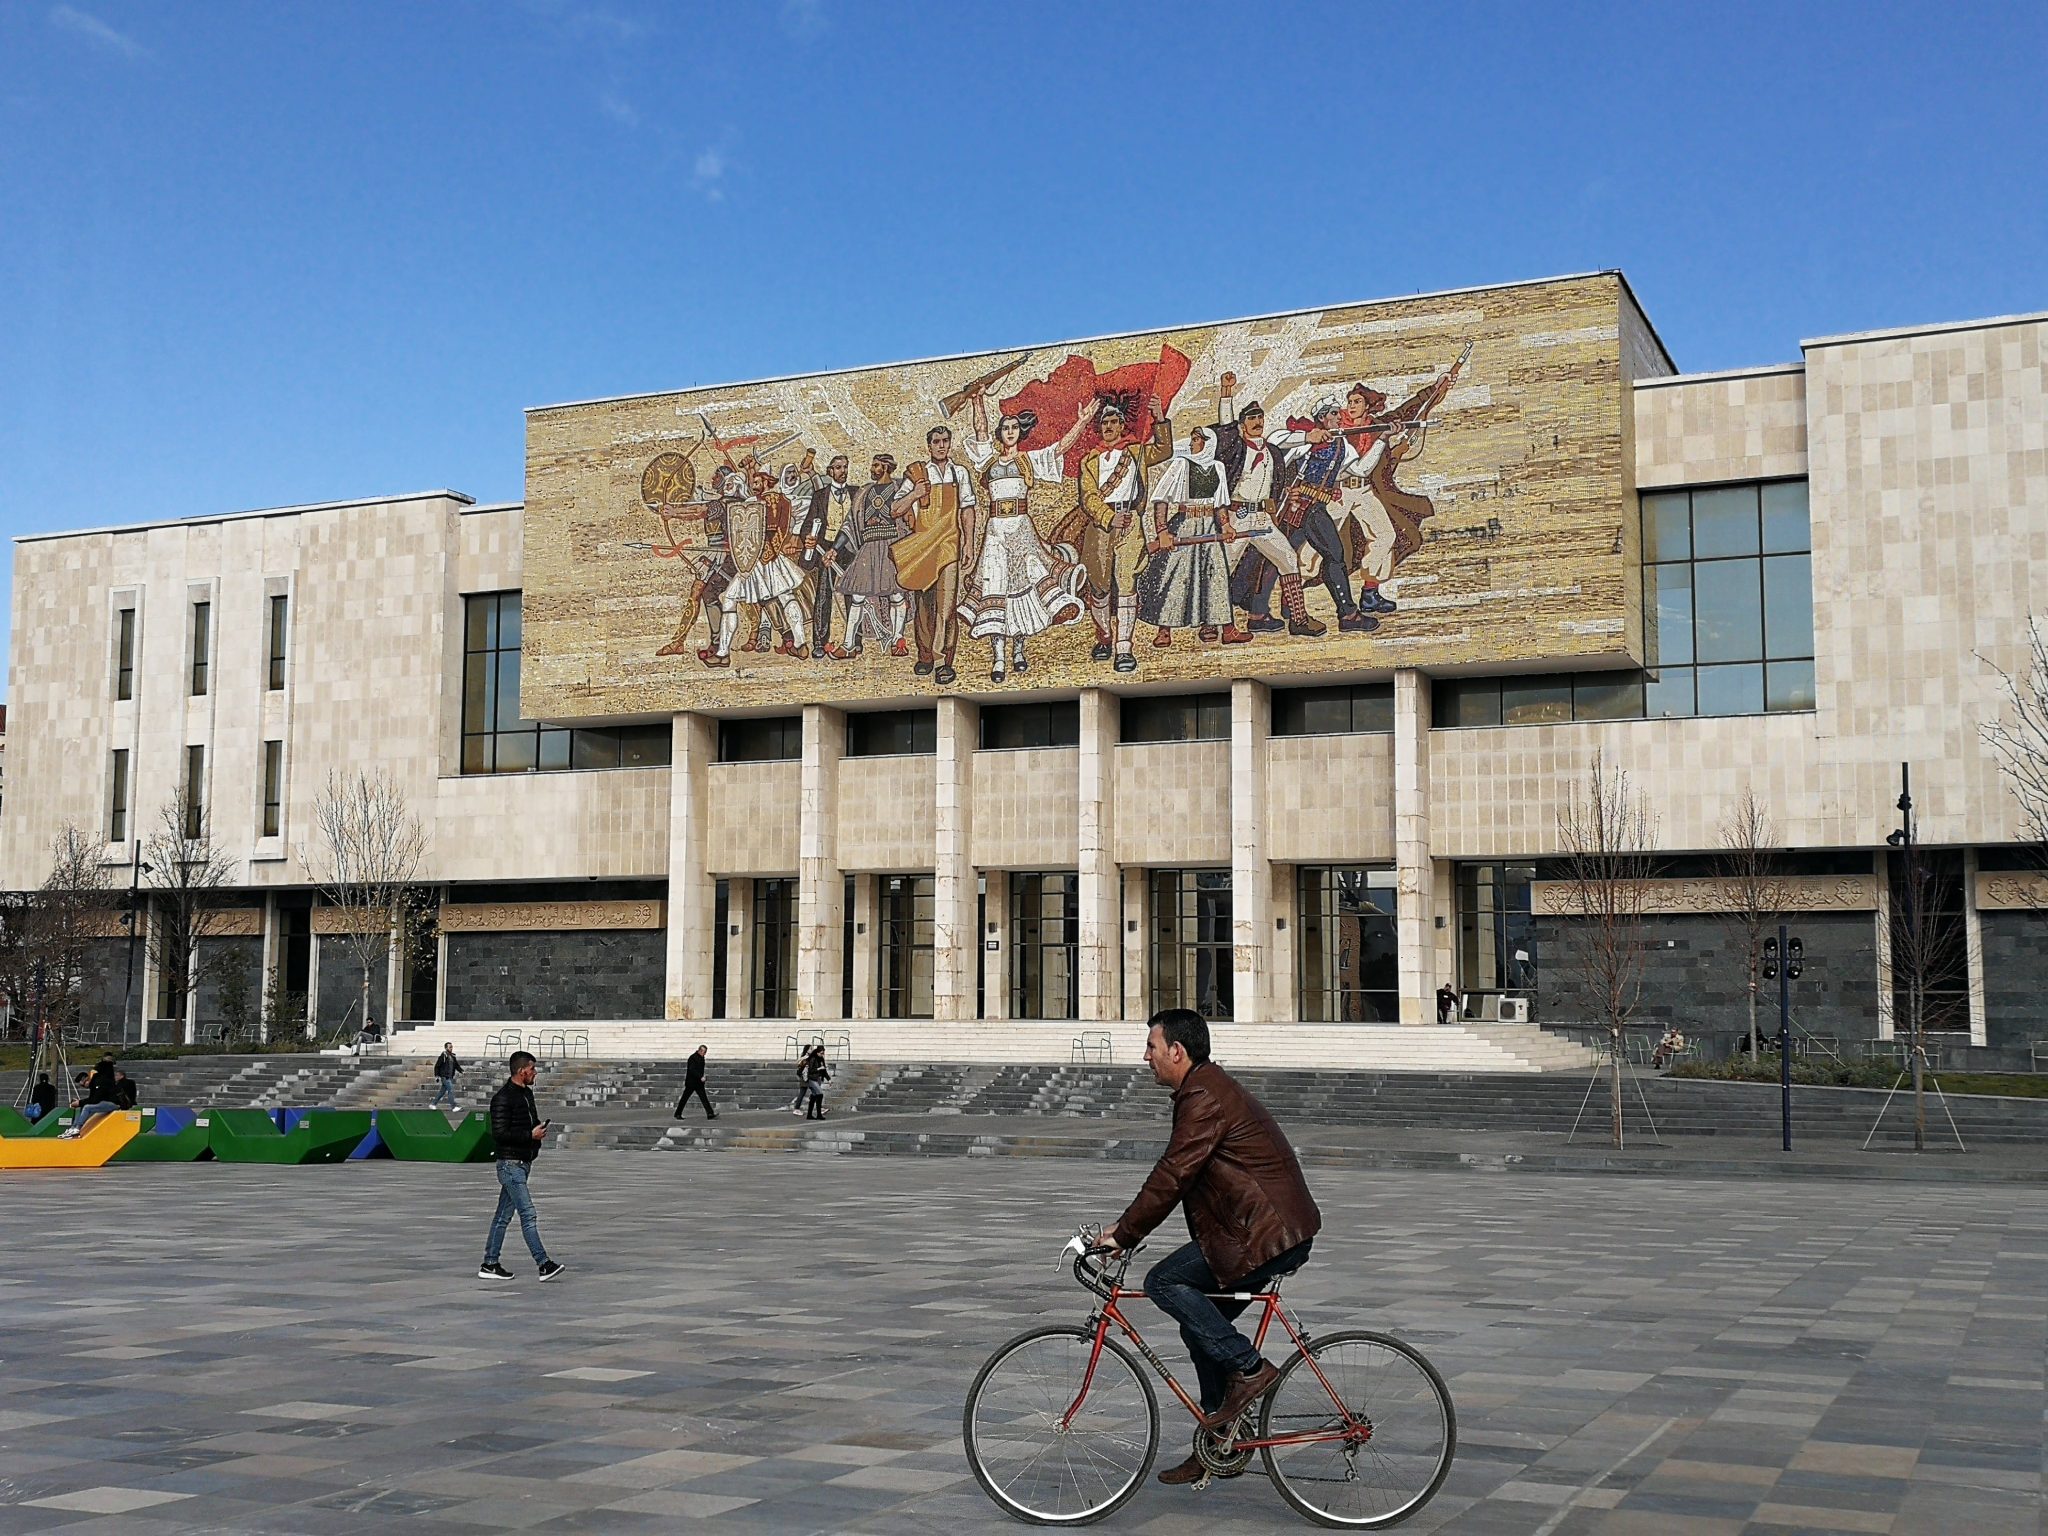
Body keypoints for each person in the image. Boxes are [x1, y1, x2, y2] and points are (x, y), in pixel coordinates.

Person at [1100, 1009, 1321, 1486]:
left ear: (1177, 1051)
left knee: (1164, 1281)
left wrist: (1124, 1233)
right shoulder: (1204, 1087)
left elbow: (1174, 1173)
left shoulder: (1203, 1095)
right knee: (1199, 1328)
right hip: (1260, 1229)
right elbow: (1182, 1177)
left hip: (1265, 1234)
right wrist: (1132, 1231)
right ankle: (1219, 1434)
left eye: (1152, 1047)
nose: (1146, 1057)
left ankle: (1250, 1368)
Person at [960, 397, 1090, 682]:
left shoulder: (1028, 461)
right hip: (995, 532)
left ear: (1020, 433)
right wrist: (977, 399)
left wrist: (1081, 421)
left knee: (1023, 588)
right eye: (1005, 427)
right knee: (996, 588)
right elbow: (980, 430)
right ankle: (998, 657)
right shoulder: (989, 460)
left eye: (1014, 428)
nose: (1009, 431)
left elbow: (1060, 448)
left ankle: (1018, 649)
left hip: (1021, 530)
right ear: (1000, 433)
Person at [1133, 424, 1245, 648]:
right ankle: (1164, 630)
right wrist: (1163, 532)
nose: (1193, 443)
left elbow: (1220, 503)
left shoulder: (1218, 468)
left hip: (1210, 528)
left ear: (1208, 443)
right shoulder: (1181, 465)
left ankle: (1224, 628)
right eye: (1193, 439)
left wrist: (1225, 526)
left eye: (1197, 439)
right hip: (1185, 526)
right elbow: (1161, 500)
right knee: (1175, 576)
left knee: (1215, 576)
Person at [893, 424, 979, 686]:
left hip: (949, 546)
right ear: (929, 446)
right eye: (936, 442)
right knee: (923, 606)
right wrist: (915, 494)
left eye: (945, 441)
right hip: (924, 547)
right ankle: (926, 655)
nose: (941, 445)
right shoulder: (918, 474)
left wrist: (969, 544)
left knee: (946, 606)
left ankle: (943, 661)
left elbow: (967, 510)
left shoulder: (959, 472)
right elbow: (895, 508)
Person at [478, 1051, 565, 1283]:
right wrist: (529, 1134)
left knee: (502, 1216)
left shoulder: (526, 1094)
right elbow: (500, 1134)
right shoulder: (502, 1098)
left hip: (523, 1161)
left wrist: (537, 1131)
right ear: (521, 1071)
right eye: (533, 1069)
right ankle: (543, 1263)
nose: (535, 1073)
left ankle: (490, 1263)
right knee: (528, 1213)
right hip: (510, 1164)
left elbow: (529, 1121)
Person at [675, 1044, 717, 1120]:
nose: (705, 1054)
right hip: (691, 1083)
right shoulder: (692, 1058)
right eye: (704, 1052)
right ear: (700, 1051)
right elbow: (692, 1070)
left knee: (704, 1098)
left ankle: (710, 1113)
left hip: (698, 1083)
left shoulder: (701, 1058)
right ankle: (678, 1113)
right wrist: (700, 1077)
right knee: (684, 1098)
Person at [802, 1047, 833, 1121]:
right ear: (817, 1052)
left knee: (814, 1095)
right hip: (811, 1079)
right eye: (821, 1053)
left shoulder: (821, 1059)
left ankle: (809, 1114)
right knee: (820, 1094)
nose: (822, 1055)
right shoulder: (813, 1059)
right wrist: (819, 1068)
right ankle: (819, 1114)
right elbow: (811, 1070)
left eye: (823, 1053)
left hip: (817, 1079)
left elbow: (824, 1070)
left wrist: (828, 1079)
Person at [431, 1043, 464, 1109]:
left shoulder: (452, 1056)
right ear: (446, 1048)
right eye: (450, 1047)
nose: (451, 1048)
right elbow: (437, 1066)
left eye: (452, 1047)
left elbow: (456, 1065)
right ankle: (453, 1106)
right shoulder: (443, 1056)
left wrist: (461, 1071)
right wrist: (437, 1075)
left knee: (442, 1092)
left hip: (450, 1076)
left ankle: (433, 1104)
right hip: (444, 1076)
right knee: (450, 1089)